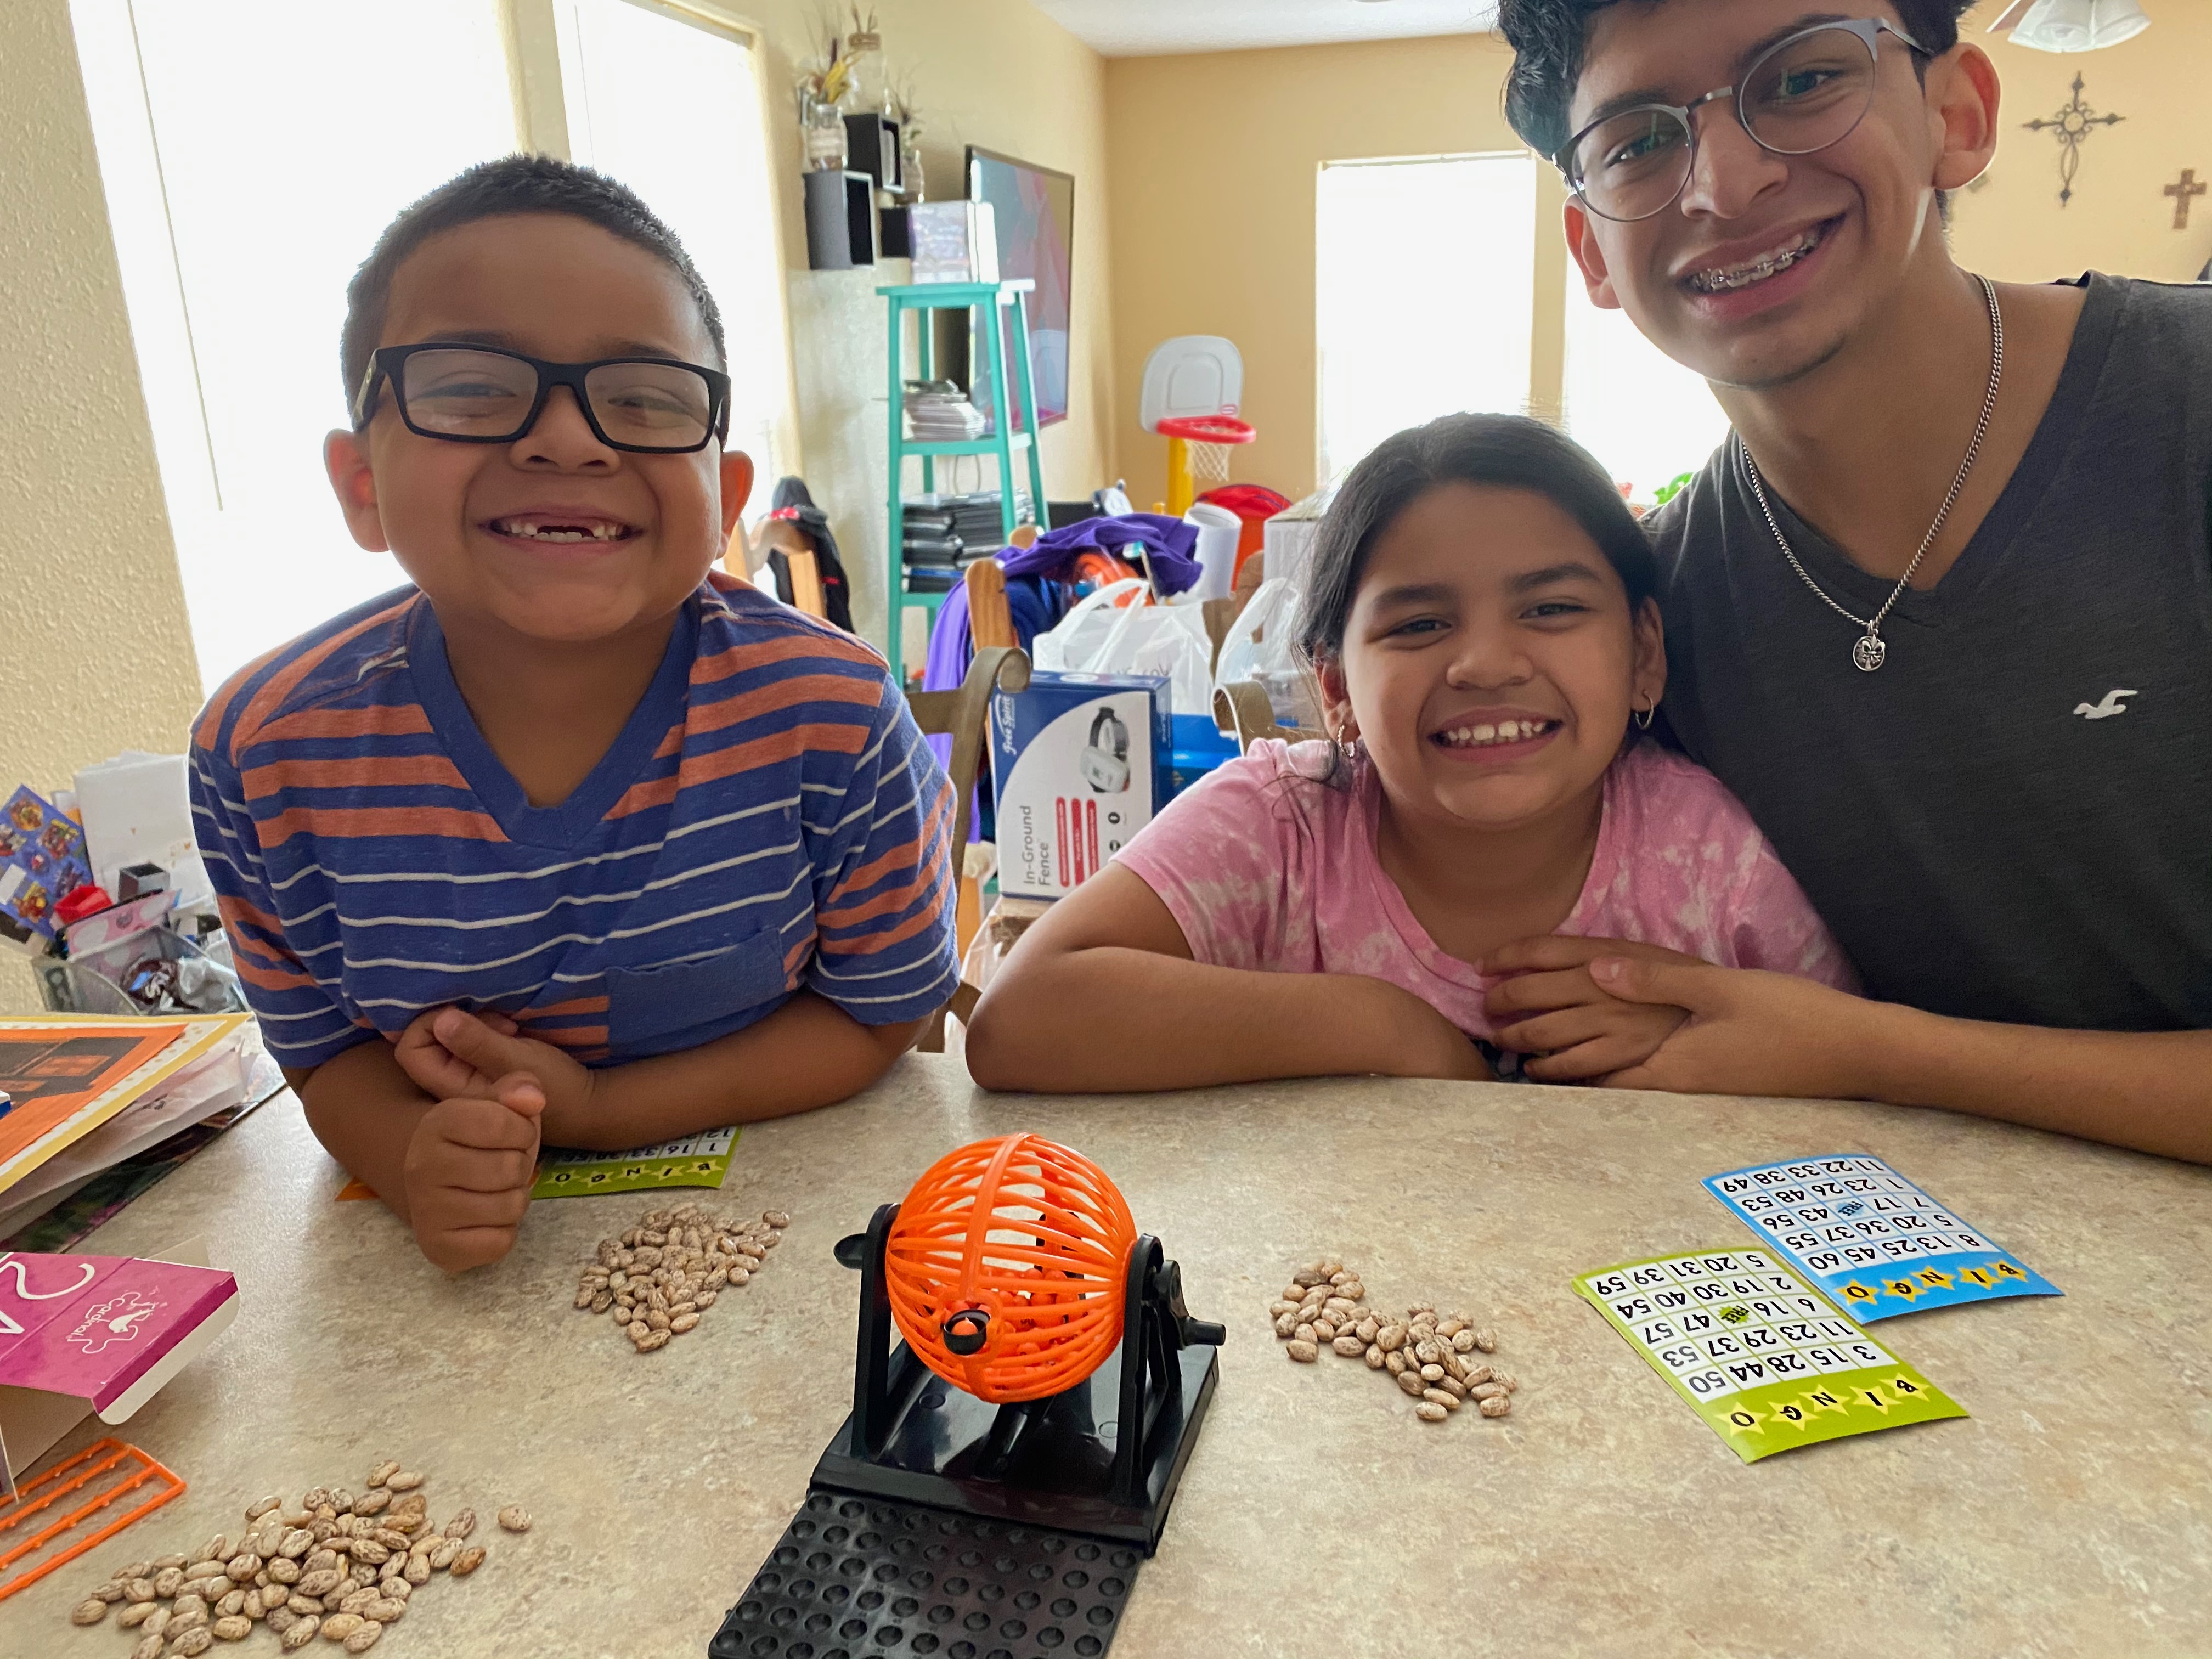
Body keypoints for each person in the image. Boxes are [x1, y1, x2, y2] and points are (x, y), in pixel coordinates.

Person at [189, 157, 959, 1271]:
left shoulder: (831, 719)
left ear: (727, 498)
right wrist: (411, 1160)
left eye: (645, 398)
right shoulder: (264, 756)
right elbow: (321, 1056)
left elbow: (880, 1014)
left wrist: (598, 1109)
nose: (568, 440)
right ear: (360, 484)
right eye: (469, 386)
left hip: (791, 1238)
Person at [1489, 0, 2211, 1161]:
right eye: (1638, 142)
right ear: (1593, 255)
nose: (1722, 182)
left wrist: (1865, 1049)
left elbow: (1813, 1045)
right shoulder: (1660, 628)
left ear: (1955, 116)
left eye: (1800, 80)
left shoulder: (2185, 412)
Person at [964, 414, 1854, 1093]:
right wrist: (1385, 1028)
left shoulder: (1705, 856)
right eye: (1421, 624)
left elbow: (1858, 1071)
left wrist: (1701, 1027)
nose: (1487, 664)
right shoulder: (1281, 827)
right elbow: (1019, 1021)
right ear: (1338, 691)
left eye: (1550, 609)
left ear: (1644, 654)